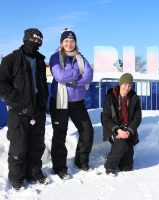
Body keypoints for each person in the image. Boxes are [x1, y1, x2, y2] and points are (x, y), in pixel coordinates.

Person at [0, 28, 49, 191]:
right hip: (19, 112)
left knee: (37, 146)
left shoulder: (41, 61)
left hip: (38, 111)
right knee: (19, 148)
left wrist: (43, 102)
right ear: (25, 39)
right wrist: (18, 100)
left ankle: (34, 173)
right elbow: (2, 84)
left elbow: (41, 84)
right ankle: (17, 178)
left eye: (38, 41)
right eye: (33, 40)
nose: (35, 43)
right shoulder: (10, 59)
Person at [49, 28, 94, 179]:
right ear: (61, 43)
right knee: (60, 134)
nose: (69, 44)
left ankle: (81, 161)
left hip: (77, 102)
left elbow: (88, 76)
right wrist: (76, 75)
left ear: (76, 43)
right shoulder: (55, 57)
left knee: (87, 131)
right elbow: (60, 76)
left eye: (72, 41)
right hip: (60, 102)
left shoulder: (81, 58)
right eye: (66, 41)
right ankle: (59, 168)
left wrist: (74, 82)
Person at [101, 73, 142, 175]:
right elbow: (105, 118)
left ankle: (117, 156)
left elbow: (137, 118)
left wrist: (128, 131)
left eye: (129, 85)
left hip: (128, 130)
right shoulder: (111, 97)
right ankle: (109, 165)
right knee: (121, 145)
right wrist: (117, 130)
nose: (127, 88)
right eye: (125, 85)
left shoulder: (134, 98)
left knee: (126, 167)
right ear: (120, 84)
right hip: (114, 129)